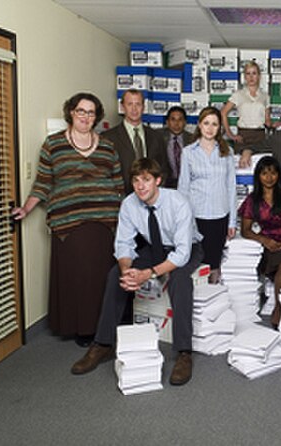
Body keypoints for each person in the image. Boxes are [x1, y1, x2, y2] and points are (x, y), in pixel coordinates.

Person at [71, 158, 203, 386]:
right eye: (136, 180)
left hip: (187, 247)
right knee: (115, 275)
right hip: (154, 247)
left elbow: (181, 253)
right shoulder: (129, 204)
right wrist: (128, 271)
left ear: (158, 181)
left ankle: (184, 353)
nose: (140, 186)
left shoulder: (178, 202)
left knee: (180, 280)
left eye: (146, 180)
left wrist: (149, 273)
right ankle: (102, 344)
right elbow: (123, 244)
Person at [12, 93, 124, 346]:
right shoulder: (53, 144)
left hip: (105, 220)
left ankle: (103, 326)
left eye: (91, 112)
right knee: (78, 275)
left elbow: (118, 184)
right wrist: (26, 209)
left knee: (101, 276)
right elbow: (43, 183)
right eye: (81, 111)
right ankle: (82, 328)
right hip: (69, 220)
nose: (86, 117)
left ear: (97, 117)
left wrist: (126, 218)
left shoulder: (107, 146)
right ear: (71, 112)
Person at [239, 156, 281, 329]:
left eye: (273, 173)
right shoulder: (252, 200)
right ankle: (279, 308)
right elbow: (245, 230)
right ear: (258, 176)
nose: (269, 178)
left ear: (279, 175)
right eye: (264, 173)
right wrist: (264, 240)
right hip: (271, 241)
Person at [178, 106, 236, 284]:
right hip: (197, 217)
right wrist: (183, 221)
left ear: (219, 128)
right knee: (197, 265)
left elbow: (231, 187)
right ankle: (197, 308)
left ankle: (213, 304)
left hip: (220, 217)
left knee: (215, 265)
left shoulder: (227, 152)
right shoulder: (188, 152)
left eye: (215, 124)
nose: (210, 128)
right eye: (206, 123)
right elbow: (183, 188)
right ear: (199, 125)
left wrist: (232, 221)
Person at [102, 89, 168, 194]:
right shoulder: (108, 138)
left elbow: (164, 169)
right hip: (122, 199)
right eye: (130, 104)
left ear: (143, 107)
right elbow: (105, 173)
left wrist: (156, 194)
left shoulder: (156, 136)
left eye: (138, 104)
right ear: (122, 107)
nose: (134, 109)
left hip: (151, 199)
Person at [221, 61, 271, 167]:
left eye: (254, 73)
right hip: (243, 137)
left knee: (259, 168)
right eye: (248, 74)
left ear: (259, 76)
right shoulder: (238, 95)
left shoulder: (265, 96)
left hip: (260, 137)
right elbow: (223, 113)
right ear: (244, 76)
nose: (251, 77)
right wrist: (230, 134)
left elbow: (267, 120)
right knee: (242, 167)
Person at [159, 106, 195, 188]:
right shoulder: (157, 137)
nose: (176, 123)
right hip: (165, 184)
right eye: (173, 119)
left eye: (180, 119)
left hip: (188, 184)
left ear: (185, 122)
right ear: (167, 122)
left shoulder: (192, 140)